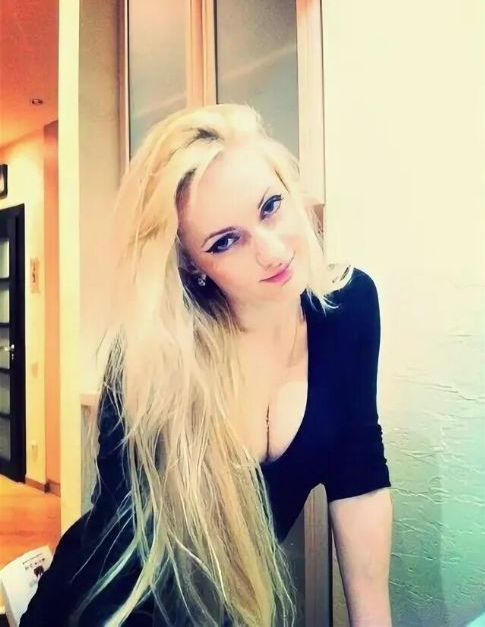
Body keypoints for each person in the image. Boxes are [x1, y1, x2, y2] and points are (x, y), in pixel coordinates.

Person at [20, 103, 392, 626]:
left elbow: (359, 475)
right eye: (226, 241)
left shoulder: (347, 308)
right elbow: (121, 557)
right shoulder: (150, 362)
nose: (271, 251)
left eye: (270, 207)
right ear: (192, 265)